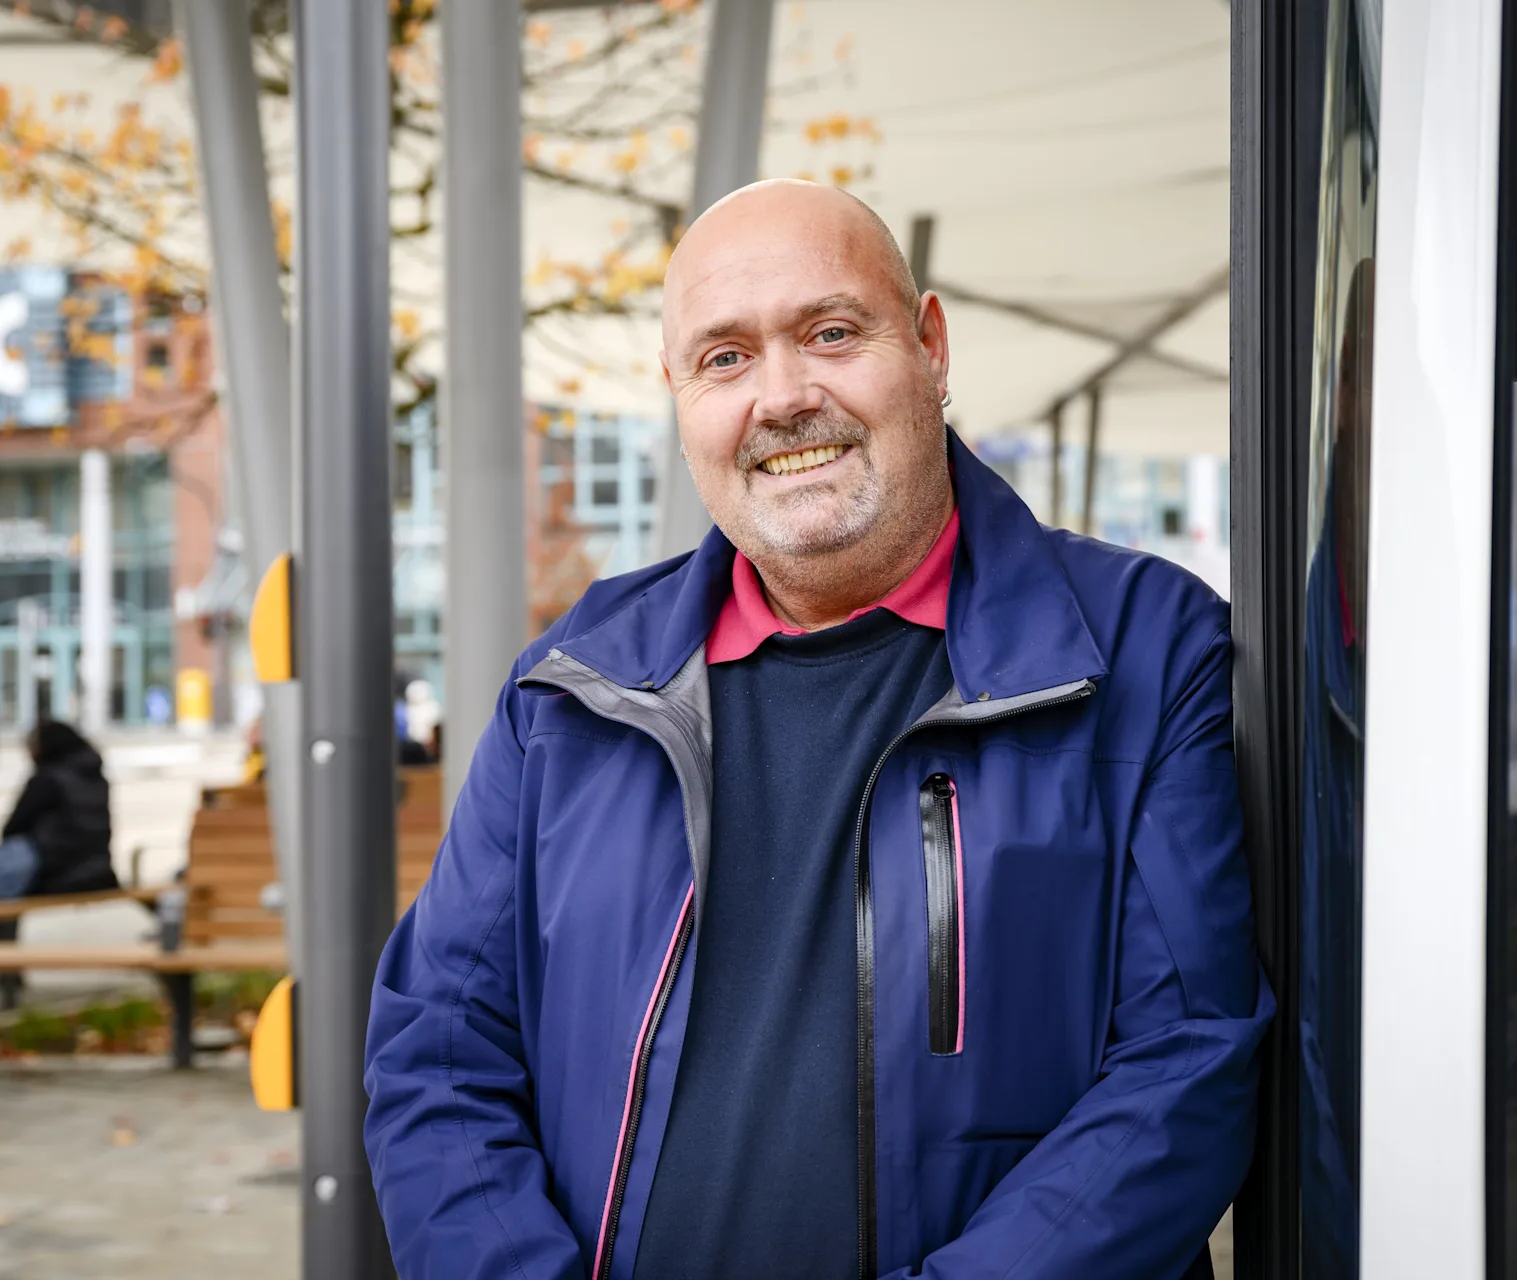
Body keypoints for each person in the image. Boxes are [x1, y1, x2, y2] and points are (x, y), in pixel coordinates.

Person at [363, 180, 1271, 1279]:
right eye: (725, 358)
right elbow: (438, 1054)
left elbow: (1183, 1068)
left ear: (930, 346)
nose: (783, 397)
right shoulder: (573, 681)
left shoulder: (1144, 645)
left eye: (831, 333)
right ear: (679, 394)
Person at [0, 719, 116, 1002]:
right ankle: (1, 974)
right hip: (97, 871)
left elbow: (11, 827)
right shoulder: (94, 776)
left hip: (57, 873)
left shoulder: (48, 779)